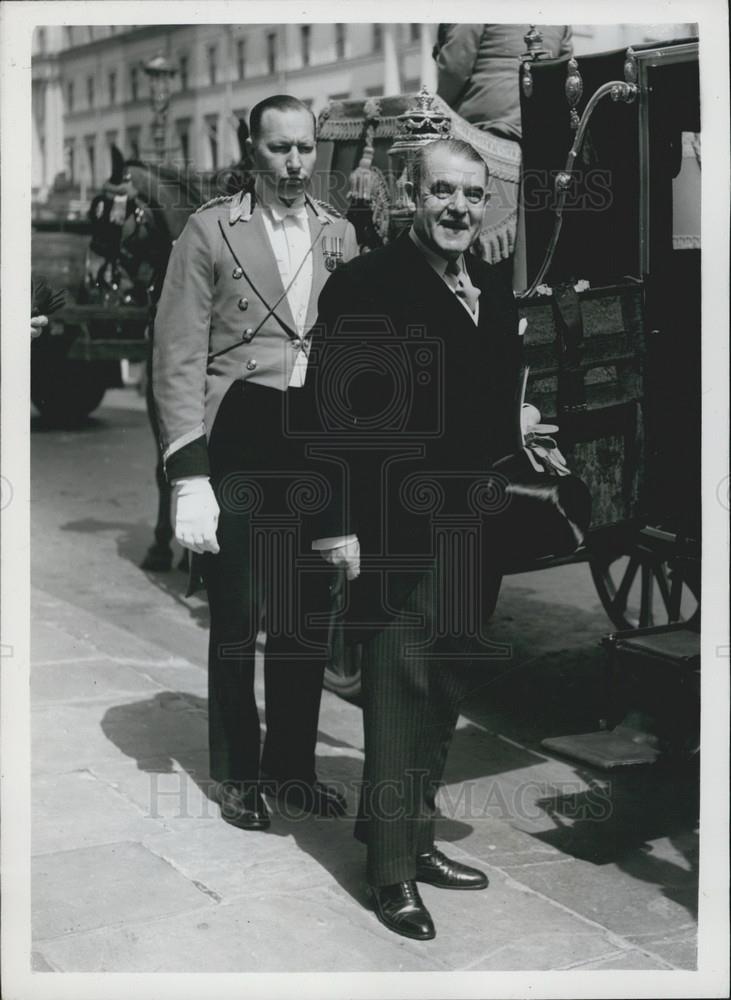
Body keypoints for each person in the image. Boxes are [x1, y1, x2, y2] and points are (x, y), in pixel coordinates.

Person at [314, 139, 523, 940]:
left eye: (471, 196)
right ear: (409, 192)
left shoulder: (490, 288)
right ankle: (390, 873)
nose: (457, 209)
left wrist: (522, 423)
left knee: (443, 688)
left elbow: (487, 393)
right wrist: (337, 526)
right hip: (395, 525)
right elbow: (331, 417)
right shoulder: (365, 284)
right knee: (400, 692)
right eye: (442, 192)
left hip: (475, 526)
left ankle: (413, 837)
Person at [152, 95, 360, 831]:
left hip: (311, 442)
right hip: (238, 437)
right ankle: (239, 773)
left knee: (306, 618)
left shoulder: (338, 233)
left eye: (305, 148)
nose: (295, 163)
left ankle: (293, 768)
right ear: (252, 151)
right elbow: (177, 355)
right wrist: (189, 474)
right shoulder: (210, 230)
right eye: (279, 149)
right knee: (238, 616)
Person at [435, 24, 573, 141]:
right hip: (543, 126)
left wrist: (437, 109)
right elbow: (565, 72)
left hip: (487, 125)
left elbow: (454, 68)